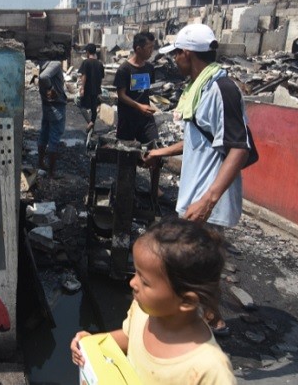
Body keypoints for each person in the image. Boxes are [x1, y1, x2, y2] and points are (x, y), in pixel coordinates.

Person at [144, 23, 253, 335]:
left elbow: (238, 148)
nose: (174, 60)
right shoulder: (199, 88)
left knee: (198, 264)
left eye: (176, 54)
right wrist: (160, 153)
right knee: (197, 262)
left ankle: (212, 321)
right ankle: (205, 317)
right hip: (195, 195)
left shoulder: (222, 89)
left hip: (207, 198)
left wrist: (208, 200)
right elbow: (198, 139)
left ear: (187, 53)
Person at [70, 217, 236, 385]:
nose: (132, 283)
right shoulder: (143, 310)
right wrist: (93, 344)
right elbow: (130, 337)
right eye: (136, 273)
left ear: (186, 301)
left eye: (145, 281)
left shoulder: (210, 369)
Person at [114, 32, 163, 212]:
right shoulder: (124, 69)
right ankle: (127, 187)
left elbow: (146, 92)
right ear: (138, 48)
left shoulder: (149, 68)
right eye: (149, 48)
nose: (151, 51)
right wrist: (138, 106)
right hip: (128, 118)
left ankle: (154, 187)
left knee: (155, 150)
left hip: (146, 118)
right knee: (128, 154)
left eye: (152, 47)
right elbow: (121, 95)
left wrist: (147, 107)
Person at [37, 60, 67, 178]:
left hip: (47, 104)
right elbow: (43, 77)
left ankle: (41, 163)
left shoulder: (43, 63)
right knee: (54, 138)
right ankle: (51, 172)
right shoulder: (55, 64)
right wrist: (51, 88)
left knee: (44, 134)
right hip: (56, 105)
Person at [78, 43, 105, 132]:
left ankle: (90, 123)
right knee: (94, 108)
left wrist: (82, 88)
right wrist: (98, 87)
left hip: (87, 89)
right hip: (96, 89)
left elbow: (84, 76)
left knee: (82, 106)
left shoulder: (86, 62)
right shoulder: (100, 64)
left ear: (88, 52)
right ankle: (92, 128)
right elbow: (101, 78)